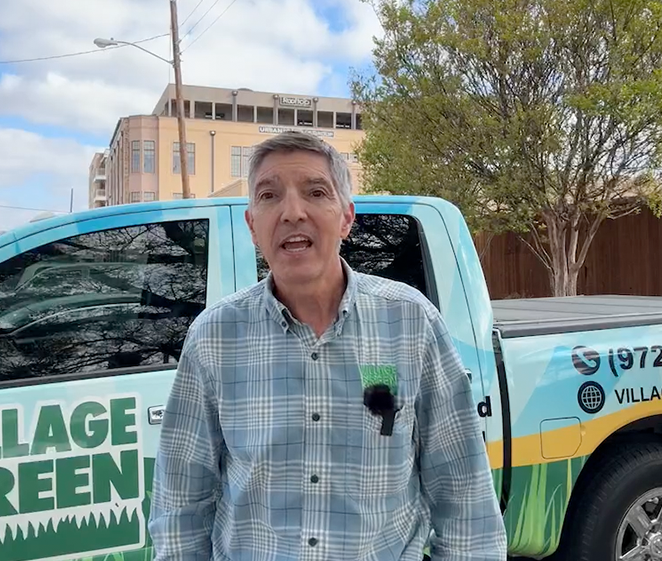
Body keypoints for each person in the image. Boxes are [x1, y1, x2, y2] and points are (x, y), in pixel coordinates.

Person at [148, 130, 507, 561]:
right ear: (252, 225)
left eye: (315, 192)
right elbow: (180, 505)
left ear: (346, 218)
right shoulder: (214, 337)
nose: (292, 212)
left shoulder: (412, 322)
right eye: (269, 196)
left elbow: (464, 495)